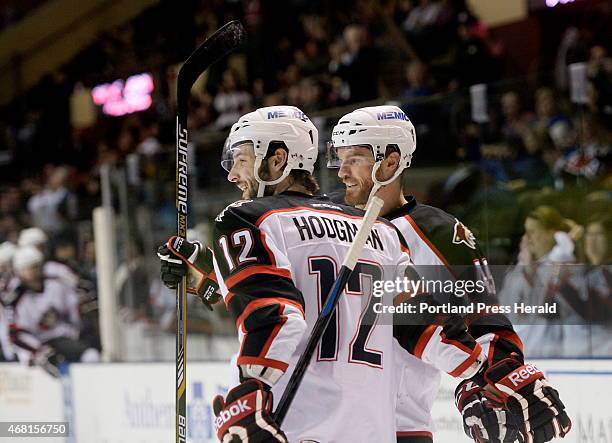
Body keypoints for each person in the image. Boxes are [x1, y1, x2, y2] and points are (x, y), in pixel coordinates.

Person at [157, 106, 483, 442]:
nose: (232, 174)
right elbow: (422, 324)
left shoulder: (247, 217)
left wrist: (252, 387)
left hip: (292, 427)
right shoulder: (379, 230)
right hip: (374, 431)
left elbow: (277, 315)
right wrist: (479, 371)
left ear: (278, 160)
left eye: (241, 159)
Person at [327, 105, 571, 443]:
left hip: (399, 428)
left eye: (354, 158)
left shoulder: (439, 233)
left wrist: (487, 382)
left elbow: (485, 324)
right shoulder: (321, 224)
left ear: (391, 161)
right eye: (339, 158)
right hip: (315, 423)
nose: (341, 172)